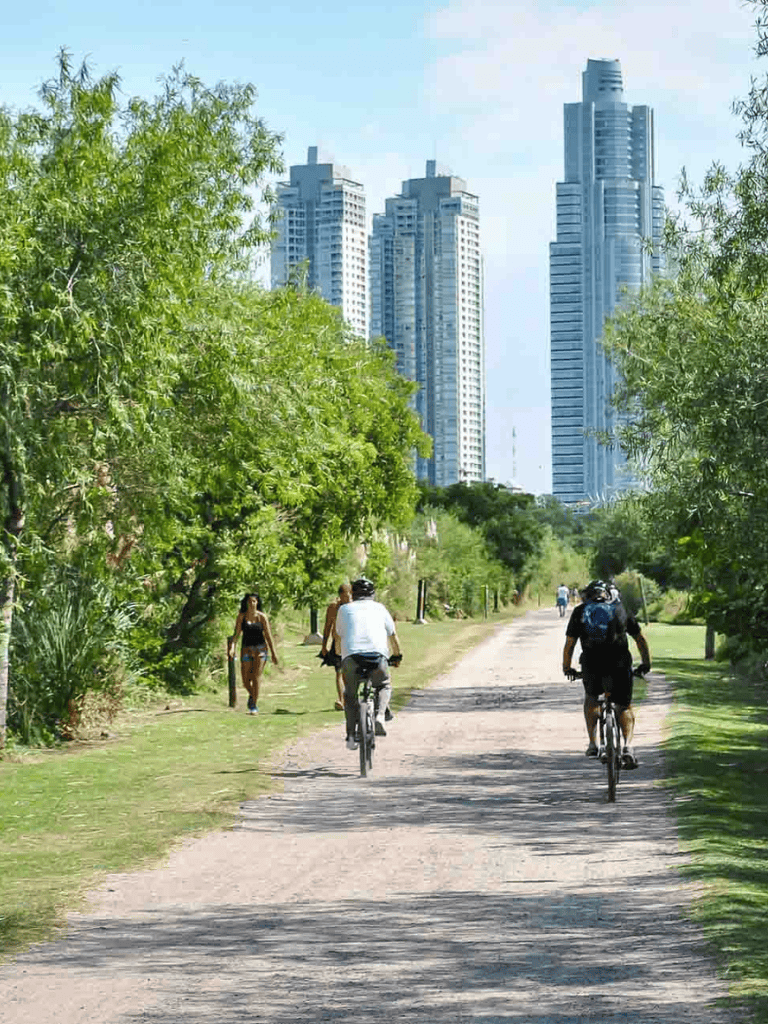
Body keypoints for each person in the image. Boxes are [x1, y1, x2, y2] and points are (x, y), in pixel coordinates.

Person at [562, 579, 651, 769]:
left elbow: (570, 644)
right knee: (624, 706)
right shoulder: (621, 609)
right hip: (619, 663)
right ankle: (628, 747)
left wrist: (567, 668)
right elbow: (640, 639)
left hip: (592, 664)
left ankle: (593, 744)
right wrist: (645, 663)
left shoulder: (580, 611)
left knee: (592, 698)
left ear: (588, 595)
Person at [335, 577, 402, 750]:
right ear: (372, 594)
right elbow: (393, 636)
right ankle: (380, 716)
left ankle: (351, 736)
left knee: (350, 695)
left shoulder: (344, 609)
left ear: (353, 594)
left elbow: (338, 637)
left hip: (351, 658)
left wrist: (338, 655)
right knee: (384, 684)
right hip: (377, 657)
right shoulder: (380, 608)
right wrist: (397, 656)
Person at [228, 592, 279, 714]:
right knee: (246, 680)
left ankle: (253, 705)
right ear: (246, 603)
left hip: (261, 650)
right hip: (246, 649)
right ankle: (253, 695)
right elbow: (236, 635)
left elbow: (268, 636)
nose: (252, 604)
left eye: (254, 601)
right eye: (249, 601)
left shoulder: (262, 617)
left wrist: (273, 653)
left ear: (257, 603)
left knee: (256, 677)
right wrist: (232, 648)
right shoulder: (242, 617)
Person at [320, 583, 352, 710]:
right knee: (339, 672)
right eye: (345, 597)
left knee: (350, 672)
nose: (347, 599)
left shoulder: (355, 607)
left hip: (352, 643)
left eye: (349, 596)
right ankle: (341, 700)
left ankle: (350, 698)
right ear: (340, 596)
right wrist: (324, 645)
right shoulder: (334, 608)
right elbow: (327, 626)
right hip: (338, 643)